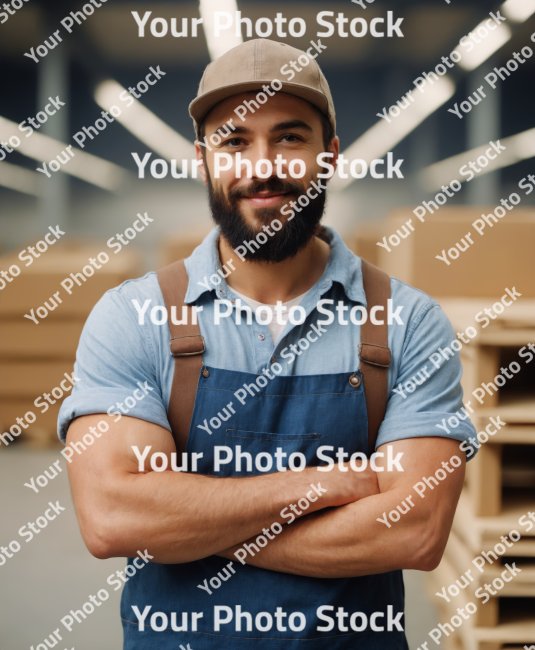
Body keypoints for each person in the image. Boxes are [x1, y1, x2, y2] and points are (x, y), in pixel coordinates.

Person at [59, 38, 476, 649]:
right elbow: (114, 518)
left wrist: (188, 525)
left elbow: (412, 531)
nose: (263, 167)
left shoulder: (409, 322)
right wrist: (325, 486)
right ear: (203, 160)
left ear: (329, 156)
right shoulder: (133, 317)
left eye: (289, 138)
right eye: (234, 141)